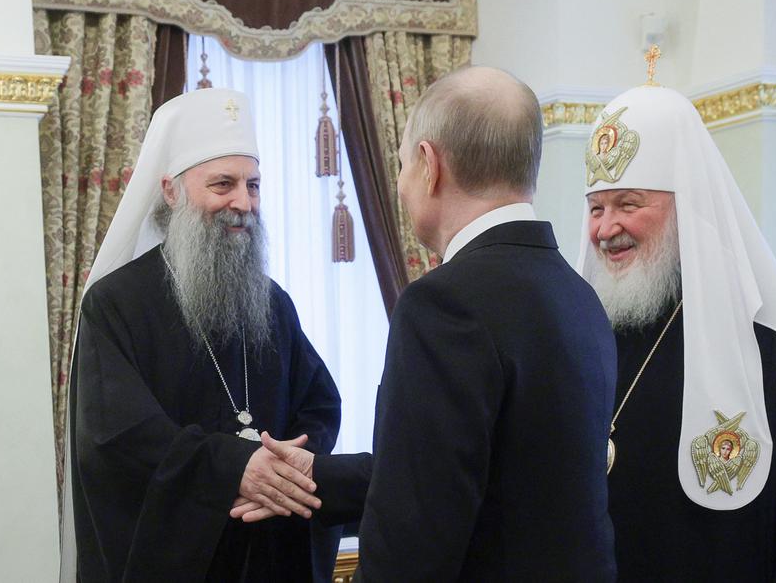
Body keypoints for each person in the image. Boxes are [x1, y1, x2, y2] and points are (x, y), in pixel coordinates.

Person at [236, 66, 618, 581]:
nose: (398, 184)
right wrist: (319, 473)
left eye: (400, 165)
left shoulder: (443, 304)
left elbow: (415, 530)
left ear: (428, 164)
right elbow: (494, 472)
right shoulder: (579, 294)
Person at [64, 88, 342, 582]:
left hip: (269, 555)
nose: (243, 202)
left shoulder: (272, 302)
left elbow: (318, 404)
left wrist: (292, 461)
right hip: (177, 562)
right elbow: (118, 438)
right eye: (222, 184)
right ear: (171, 191)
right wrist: (234, 468)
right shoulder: (115, 305)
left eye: (253, 185)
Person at [578, 74, 776, 580]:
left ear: (687, 207)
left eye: (629, 204)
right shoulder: (582, 338)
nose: (606, 229)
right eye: (596, 208)